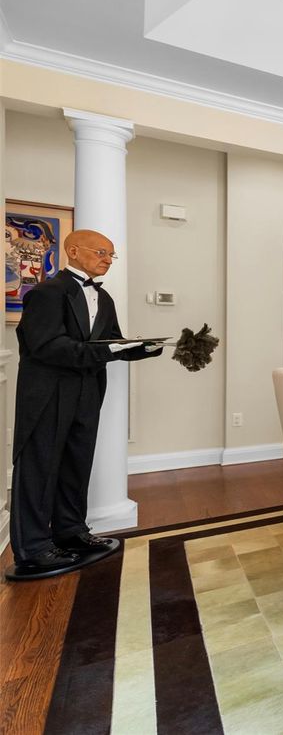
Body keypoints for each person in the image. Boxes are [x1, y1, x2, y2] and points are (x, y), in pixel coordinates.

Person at [9, 229, 163, 578]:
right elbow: (45, 346)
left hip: (88, 390)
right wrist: (107, 350)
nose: (108, 260)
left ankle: (71, 531)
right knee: (39, 467)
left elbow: (110, 343)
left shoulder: (104, 299)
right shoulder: (46, 293)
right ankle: (33, 549)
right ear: (74, 251)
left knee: (77, 463)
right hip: (48, 391)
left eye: (111, 255)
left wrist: (143, 349)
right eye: (102, 252)